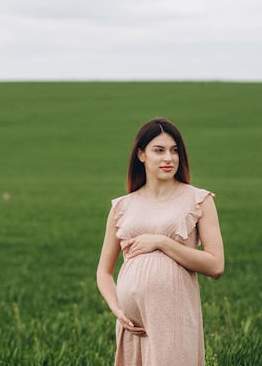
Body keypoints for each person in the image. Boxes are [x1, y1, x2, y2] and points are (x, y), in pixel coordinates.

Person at [96, 117, 224, 366]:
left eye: (174, 151)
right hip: (134, 328)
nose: (169, 158)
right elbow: (103, 271)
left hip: (174, 322)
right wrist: (118, 309)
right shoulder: (122, 206)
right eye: (159, 150)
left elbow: (216, 265)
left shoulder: (198, 200)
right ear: (141, 155)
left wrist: (162, 243)